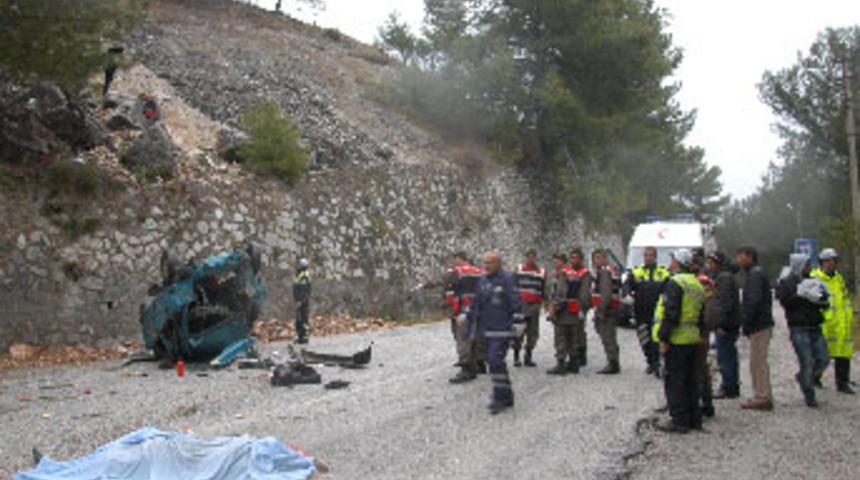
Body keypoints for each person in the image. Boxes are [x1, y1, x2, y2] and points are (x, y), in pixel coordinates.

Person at [653, 249, 706, 433]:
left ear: (678, 263)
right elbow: (701, 315)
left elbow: (671, 313)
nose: (671, 263)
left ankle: (679, 420)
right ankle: (694, 419)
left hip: (676, 339)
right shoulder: (697, 284)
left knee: (675, 380)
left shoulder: (675, 283)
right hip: (692, 337)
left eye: (673, 260)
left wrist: (663, 338)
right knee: (691, 380)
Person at [466, 251, 524, 414]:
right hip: (487, 329)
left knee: (495, 361)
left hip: (503, 329)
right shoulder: (482, 280)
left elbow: (515, 301)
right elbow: (477, 302)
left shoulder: (507, 279)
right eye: (485, 262)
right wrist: (467, 315)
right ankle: (506, 395)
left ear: (499, 263)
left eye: (490, 262)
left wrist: (518, 322)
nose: (486, 266)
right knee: (494, 363)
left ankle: (499, 398)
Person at [777, 253, 830, 407]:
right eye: (806, 265)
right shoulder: (786, 282)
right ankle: (809, 395)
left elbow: (822, 301)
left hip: (815, 325)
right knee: (806, 362)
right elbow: (784, 302)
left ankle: (806, 377)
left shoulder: (814, 280)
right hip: (798, 327)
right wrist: (801, 295)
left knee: (824, 359)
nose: (809, 267)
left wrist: (822, 298)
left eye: (809, 264)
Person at [810, 248, 856, 394]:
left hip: (842, 323)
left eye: (834, 260)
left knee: (844, 354)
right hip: (825, 324)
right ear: (822, 262)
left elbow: (844, 298)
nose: (832, 263)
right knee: (822, 356)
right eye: (829, 261)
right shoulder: (815, 278)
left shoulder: (838, 278)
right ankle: (814, 378)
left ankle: (842, 383)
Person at [736, 246, 775, 411]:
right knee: (758, 361)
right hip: (761, 323)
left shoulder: (755, 275)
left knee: (757, 362)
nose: (738, 259)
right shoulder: (755, 274)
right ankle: (764, 394)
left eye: (740, 256)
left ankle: (762, 397)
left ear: (750, 257)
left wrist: (746, 323)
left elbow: (753, 301)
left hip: (759, 325)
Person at [625, 246, 671, 377]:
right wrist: (627, 294)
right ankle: (650, 361)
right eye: (646, 255)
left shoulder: (663, 272)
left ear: (655, 257)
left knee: (656, 338)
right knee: (644, 338)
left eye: (650, 255)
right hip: (641, 311)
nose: (648, 258)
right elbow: (627, 285)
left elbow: (670, 288)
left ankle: (657, 363)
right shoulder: (636, 272)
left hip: (657, 311)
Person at [547, 250, 591, 375]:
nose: (573, 260)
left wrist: (554, 309)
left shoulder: (565, 273)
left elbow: (561, 293)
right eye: (572, 258)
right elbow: (584, 294)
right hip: (575, 310)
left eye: (576, 258)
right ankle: (573, 363)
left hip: (566, 310)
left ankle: (561, 363)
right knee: (573, 337)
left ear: (581, 259)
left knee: (561, 337)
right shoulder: (585, 274)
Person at [705, 251, 741, 399]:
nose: (709, 265)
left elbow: (724, 304)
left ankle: (729, 387)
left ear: (717, 263)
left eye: (711, 262)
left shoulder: (724, 278)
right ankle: (731, 386)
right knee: (728, 355)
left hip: (726, 325)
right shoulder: (723, 277)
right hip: (729, 323)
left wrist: (720, 324)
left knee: (725, 356)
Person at [447, 252, 487, 384]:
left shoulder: (457, 272)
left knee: (463, 339)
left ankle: (466, 369)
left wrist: (454, 311)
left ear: (460, 259)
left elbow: (452, 292)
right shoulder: (480, 272)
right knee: (475, 338)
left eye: (454, 259)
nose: (453, 263)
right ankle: (478, 365)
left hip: (464, 311)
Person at [513, 249, 546, 367]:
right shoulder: (519, 269)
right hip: (520, 306)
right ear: (526, 257)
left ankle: (528, 356)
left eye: (533, 256)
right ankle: (516, 357)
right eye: (529, 256)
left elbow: (543, 289)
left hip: (534, 306)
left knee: (533, 333)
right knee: (518, 332)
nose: (531, 259)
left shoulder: (541, 271)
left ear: (536, 257)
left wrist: (545, 303)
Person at [592, 249, 621, 374]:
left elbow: (606, 293)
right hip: (612, 308)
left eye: (598, 258)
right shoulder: (612, 270)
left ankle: (613, 362)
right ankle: (613, 360)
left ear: (605, 259)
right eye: (595, 258)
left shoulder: (604, 272)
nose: (595, 261)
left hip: (607, 309)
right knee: (609, 335)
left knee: (607, 335)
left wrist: (601, 310)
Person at [293, 258, 312, 344]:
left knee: (301, 318)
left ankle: (303, 337)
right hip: (302, 300)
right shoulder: (301, 275)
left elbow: (303, 290)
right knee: (300, 318)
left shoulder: (304, 276)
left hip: (302, 301)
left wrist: (300, 300)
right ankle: (301, 336)